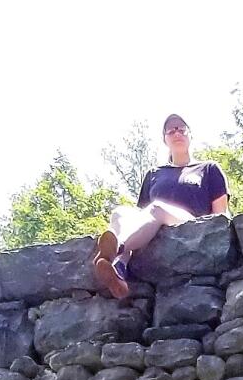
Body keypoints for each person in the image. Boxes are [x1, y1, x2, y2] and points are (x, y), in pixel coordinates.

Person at [92, 114, 228, 301]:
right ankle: (119, 271)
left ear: (190, 135)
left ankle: (115, 249)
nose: (177, 132)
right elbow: (141, 216)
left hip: (194, 227)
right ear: (165, 139)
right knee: (120, 213)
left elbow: (221, 214)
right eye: (171, 130)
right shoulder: (154, 174)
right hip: (156, 223)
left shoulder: (209, 168)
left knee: (157, 208)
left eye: (181, 129)